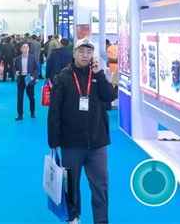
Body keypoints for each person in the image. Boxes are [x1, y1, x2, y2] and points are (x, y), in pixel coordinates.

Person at [48, 38, 117, 224]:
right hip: (71, 143)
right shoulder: (62, 78)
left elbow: (109, 96)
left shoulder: (97, 76)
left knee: (101, 185)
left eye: (89, 52)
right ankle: (73, 217)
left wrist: (99, 74)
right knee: (71, 184)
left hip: (97, 142)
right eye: (81, 51)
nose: (85, 55)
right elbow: (54, 112)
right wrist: (53, 141)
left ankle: (101, 221)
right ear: (74, 53)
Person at [14, 42, 40, 120]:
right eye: (24, 47)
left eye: (27, 47)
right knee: (20, 97)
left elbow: (36, 68)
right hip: (21, 79)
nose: (26, 49)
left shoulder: (33, 57)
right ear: (21, 49)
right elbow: (14, 67)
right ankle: (20, 114)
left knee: (31, 96)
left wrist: (33, 76)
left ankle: (32, 112)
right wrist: (15, 72)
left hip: (29, 79)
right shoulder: (17, 59)